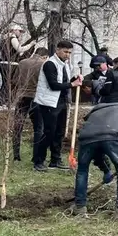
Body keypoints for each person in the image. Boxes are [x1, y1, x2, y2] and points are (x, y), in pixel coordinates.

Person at [72, 101, 118, 219]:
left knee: (82, 171)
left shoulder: (95, 110)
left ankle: (80, 207)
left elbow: (98, 153)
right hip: (112, 136)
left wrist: (106, 170)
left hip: (87, 138)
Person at [33, 40, 83, 171]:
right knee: (48, 132)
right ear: (57, 50)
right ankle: (39, 161)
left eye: (70, 53)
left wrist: (75, 79)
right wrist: (72, 85)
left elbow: (64, 81)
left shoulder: (65, 65)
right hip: (48, 102)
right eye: (65, 52)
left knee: (60, 132)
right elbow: (54, 85)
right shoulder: (50, 64)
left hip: (61, 101)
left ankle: (55, 160)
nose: (68, 55)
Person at [12, 47, 49, 162]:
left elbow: (14, 80)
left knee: (18, 126)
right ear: (45, 56)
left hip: (21, 97)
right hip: (36, 98)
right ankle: (36, 156)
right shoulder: (44, 64)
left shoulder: (22, 63)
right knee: (38, 127)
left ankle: (16, 155)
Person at [0, 25, 33, 108]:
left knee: (6, 83)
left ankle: (2, 101)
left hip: (4, 63)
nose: (20, 34)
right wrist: (31, 45)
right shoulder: (13, 39)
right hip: (10, 64)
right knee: (8, 83)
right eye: (20, 31)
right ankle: (3, 102)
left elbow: (18, 52)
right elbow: (20, 50)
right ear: (15, 30)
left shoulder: (5, 39)